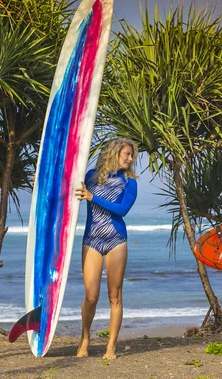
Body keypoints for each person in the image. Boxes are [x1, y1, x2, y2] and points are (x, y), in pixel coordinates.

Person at [74, 137, 138, 359]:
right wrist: (42, 180)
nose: (130, 159)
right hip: (91, 238)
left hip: (116, 240)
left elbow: (122, 210)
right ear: (114, 153)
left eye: (131, 155)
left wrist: (93, 197)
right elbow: (67, 185)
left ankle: (111, 346)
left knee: (115, 296)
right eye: (126, 154)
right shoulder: (91, 176)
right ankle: (85, 338)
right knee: (91, 296)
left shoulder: (130, 183)